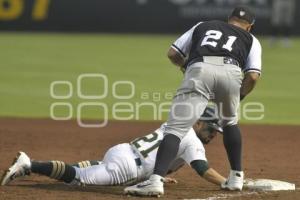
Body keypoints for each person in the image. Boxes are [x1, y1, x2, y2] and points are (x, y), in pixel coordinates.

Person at [125, 6, 262, 196]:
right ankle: (236, 178)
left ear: (227, 19)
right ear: (249, 27)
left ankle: (155, 181)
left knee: (175, 129)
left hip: (200, 69)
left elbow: (173, 53)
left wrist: (187, 66)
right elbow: (253, 76)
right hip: (232, 73)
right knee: (230, 121)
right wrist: (239, 97)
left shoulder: (203, 25)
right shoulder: (252, 40)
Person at [1, 107, 226, 189]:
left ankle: (31, 166)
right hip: (127, 167)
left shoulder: (177, 125)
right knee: (78, 177)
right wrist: (226, 183)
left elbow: (162, 151)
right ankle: (29, 164)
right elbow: (202, 168)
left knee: (94, 166)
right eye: (211, 129)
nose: (214, 134)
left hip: (122, 151)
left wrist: (158, 175)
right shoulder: (193, 141)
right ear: (198, 122)